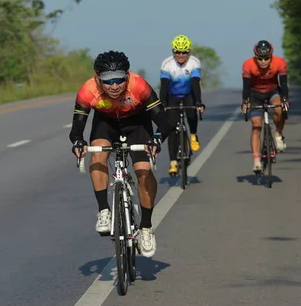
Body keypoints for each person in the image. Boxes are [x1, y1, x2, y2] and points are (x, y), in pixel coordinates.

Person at [69, 50, 173, 258]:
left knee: (143, 170)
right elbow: (77, 128)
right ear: (97, 77)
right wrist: (78, 142)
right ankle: (104, 211)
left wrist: (157, 139)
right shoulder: (87, 90)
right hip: (106, 124)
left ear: (128, 75)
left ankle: (145, 227)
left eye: (119, 80)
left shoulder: (139, 86)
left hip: (137, 124)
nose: (114, 86)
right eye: (108, 81)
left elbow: (164, 121)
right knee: (97, 154)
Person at [159, 34, 205, 176]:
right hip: (172, 95)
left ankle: (193, 135)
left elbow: (195, 84)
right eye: (177, 52)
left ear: (189, 52)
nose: (181, 55)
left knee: (191, 112)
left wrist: (198, 102)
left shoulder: (194, 63)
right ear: (173, 52)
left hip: (188, 94)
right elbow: (164, 86)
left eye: (184, 52)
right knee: (172, 127)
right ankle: (173, 161)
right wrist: (163, 104)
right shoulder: (167, 64)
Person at [241, 40, 289, 173]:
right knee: (256, 126)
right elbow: (246, 87)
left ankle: (278, 134)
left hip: (273, 91)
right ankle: (256, 161)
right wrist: (245, 101)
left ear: (271, 56)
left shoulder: (280, 63)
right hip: (255, 94)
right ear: (255, 57)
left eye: (267, 58)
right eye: (260, 58)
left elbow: (284, 85)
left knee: (279, 109)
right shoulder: (248, 65)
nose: (263, 61)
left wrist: (285, 100)